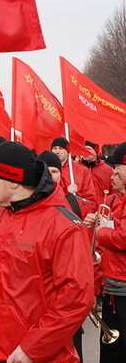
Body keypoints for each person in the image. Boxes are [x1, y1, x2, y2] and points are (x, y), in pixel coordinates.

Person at [0, 141, 94, 363]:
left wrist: (33, 347)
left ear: (12, 180)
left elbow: (76, 298)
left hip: (38, 357)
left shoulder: (64, 227)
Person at [86, 141, 126, 363]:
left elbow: (123, 238)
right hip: (113, 286)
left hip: (123, 287)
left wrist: (101, 232)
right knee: (112, 352)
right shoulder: (115, 200)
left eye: (119, 167)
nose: (114, 173)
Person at [51, 137, 97, 203]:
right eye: (54, 148)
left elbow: (90, 199)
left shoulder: (82, 171)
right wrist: (67, 193)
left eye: (61, 148)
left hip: (76, 211)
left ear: (67, 152)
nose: (57, 152)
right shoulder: (46, 170)